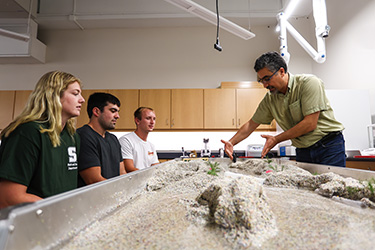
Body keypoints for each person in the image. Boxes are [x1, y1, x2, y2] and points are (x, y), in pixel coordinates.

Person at [221, 51, 346, 167]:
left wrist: (276, 139)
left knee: (333, 188)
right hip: (303, 150)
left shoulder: (308, 83)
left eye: (267, 79)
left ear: (281, 71)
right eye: (261, 81)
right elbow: (251, 124)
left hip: (328, 146)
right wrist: (231, 142)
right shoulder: (270, 99)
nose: (265, 85)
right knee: (306, 190)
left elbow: (310, 123)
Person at [0, 71, 85, 209]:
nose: (82, 99)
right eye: (75, 94)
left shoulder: (72, 137)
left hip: (62, 222)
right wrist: (58, 209)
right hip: (33, 223)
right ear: (55, 96)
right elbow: (9, 197)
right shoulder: (28, 132)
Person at [77, 92, 126, 187]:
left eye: (117, 112)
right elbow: (94, 181)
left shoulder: (113, 139)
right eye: (113, 111)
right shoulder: (83, 136)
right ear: (96, 112)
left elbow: (122, 173)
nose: (117, 116)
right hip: (93, 199)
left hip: (113, 196)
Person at [119, 107, 159, 172]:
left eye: (154, 119)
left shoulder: (151, 146)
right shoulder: (126, 140)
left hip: (147, 180)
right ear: (137, 120)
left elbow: (156, 168)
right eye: (148, 118)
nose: (152, 122)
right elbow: (129, 168)